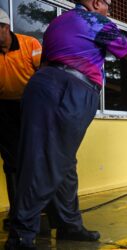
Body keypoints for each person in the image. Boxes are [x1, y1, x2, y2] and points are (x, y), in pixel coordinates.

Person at [6, 1, 127, 249]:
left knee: (63, 162)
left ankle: (68, 225)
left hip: (45, 86)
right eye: (107, 3)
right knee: (47, 161)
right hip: (68, 89)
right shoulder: (95, 21)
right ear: (95, 2)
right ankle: (21, 234)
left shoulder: (59, 22)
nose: (109, 9)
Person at [0, 8, 42, 230]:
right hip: (4, 109)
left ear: (5, 27)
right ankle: (18, 214)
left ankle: (38, 211)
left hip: (31, 106)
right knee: (12, 164)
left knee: (35, 160)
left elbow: (45, 74)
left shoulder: (30, 44)